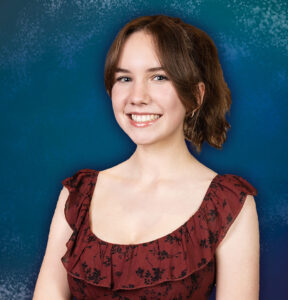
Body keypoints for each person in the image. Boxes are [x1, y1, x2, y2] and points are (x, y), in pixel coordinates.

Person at [33, 15, 259, 299]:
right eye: (124, 78)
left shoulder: (229, 204)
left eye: (159, 77)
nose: (137, 96)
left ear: (196, 96)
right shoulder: (78, 195)